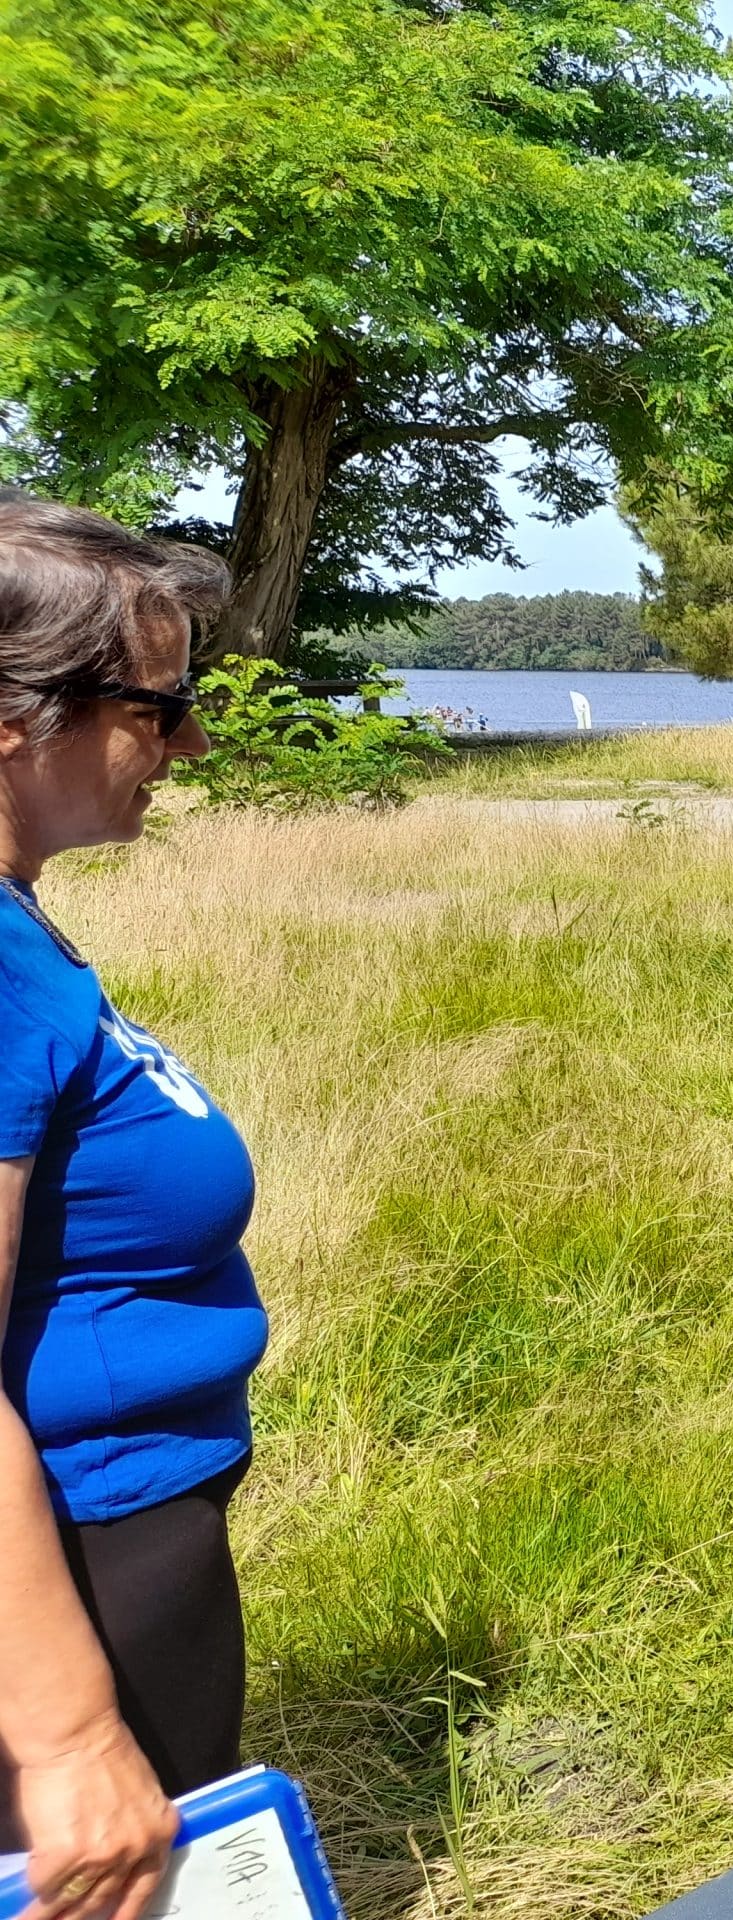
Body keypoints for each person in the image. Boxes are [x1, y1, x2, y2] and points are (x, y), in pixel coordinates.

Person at [1, 501, 258, 1920]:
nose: (191, 743)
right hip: (70, 1560)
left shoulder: (17, 928)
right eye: (158, 708)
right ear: (13, 720)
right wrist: (67, 1733)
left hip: (121, 1538)